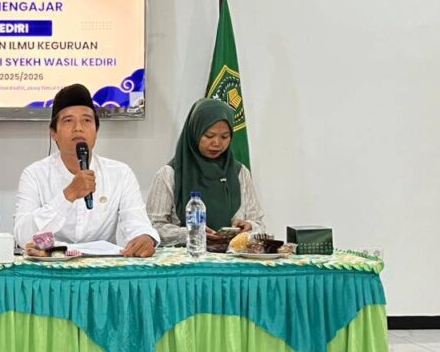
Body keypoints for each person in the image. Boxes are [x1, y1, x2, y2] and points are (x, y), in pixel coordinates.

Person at [14, 84, 159, 257]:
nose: (78, 128)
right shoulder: (34, 175)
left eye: (87, 120)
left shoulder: (120, 174)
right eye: (68, 121)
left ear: (96, 131)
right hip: (53, 266)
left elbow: (138, 224)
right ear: (53, 133)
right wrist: (69, 194)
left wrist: (145, 237)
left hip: (103, 269)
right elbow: (22, 236)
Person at [146, 97, 265, 246]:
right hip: (186, 257)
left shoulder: (240, 173)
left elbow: (259, 224)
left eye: (225, 137)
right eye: (209, 136)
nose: (217, 143)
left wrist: (249, 228)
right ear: (194, 132)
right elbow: (152, 227)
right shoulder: (169, 174)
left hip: (232, 257)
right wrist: (192, 233)